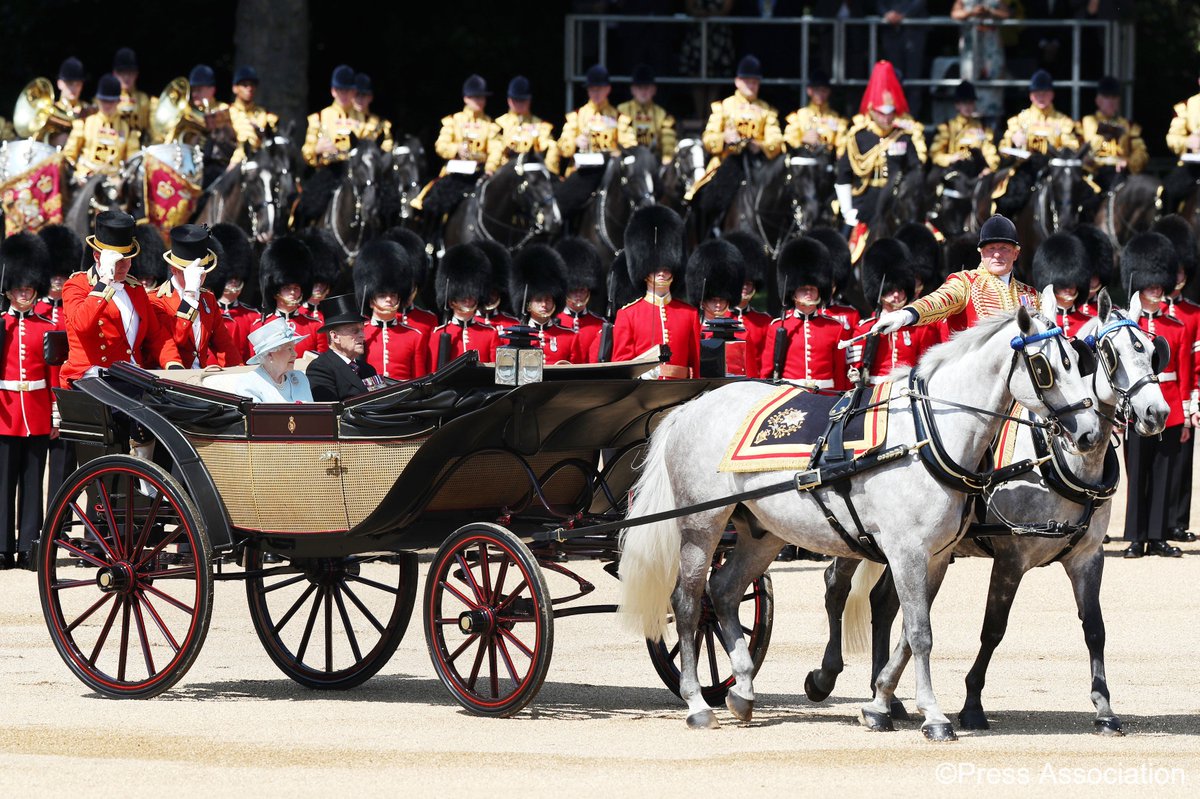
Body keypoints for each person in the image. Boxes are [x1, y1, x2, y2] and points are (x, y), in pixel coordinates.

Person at [1118, 232, 1197, 558]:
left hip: (1171, 408)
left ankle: (1158, 536)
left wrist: (1187, 415)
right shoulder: (1128, 325)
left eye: (1158, 284)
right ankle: (1137, 537)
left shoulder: (1176, 326)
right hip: (1138, 408)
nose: (1155, 289)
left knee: (1164, 473)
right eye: (1149, 284)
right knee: (1138, 473)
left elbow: (1185, 371)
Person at [60, 211, 183, 386]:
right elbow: (82, 325)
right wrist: (105, 281)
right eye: (117, 261)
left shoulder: (135, 288)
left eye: (128, 259)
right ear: (97, 257)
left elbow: (156, 335)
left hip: (132, 377)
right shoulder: (76, 285)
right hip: (91, 378)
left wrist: (173, 364)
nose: (125, 266)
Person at [873, 214, 1039, 337]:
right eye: (991, 249)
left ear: (1016, 253)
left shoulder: (1031, 295)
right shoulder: (965, 282)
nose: (997, 254)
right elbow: (938, 301)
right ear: (981, 253)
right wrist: (907, 314)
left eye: (1004, 248)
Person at [0, 233, 57, 571]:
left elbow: (53, 375)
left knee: (34, 482)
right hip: (5, 413)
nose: (24, 293)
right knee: (3, 483)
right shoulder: (2, 325)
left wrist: (55, 415)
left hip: (36, 413)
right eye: (18, 288)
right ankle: (2, 546)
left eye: (28, 288)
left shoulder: (46, 327)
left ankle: (29, 547)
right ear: (8, 289)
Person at [834, 61, 923, 254]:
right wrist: (847, 210)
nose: (887, 118)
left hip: (895, 200)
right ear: (873, 111)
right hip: (865, 200)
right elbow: (843, 174)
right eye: (882, 113)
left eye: (891, 113)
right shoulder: (859, 137)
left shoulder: (903, 136)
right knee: (846, 251)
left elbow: (915, 168)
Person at [612, 206, 701, 379]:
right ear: (644, 270)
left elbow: (696, 366)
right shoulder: (628, 315)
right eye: (655, 268)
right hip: (644, 392)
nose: (661, 273)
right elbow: (621, 369)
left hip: (682, 392)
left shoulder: (689, 314)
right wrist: (642, 375)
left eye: (666, 268)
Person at [1154, 214, 1200, 544]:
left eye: (1182, 271)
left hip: (1182, 394)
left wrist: (1194, 399)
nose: (1178, 276)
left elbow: (1196, 362)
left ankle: (1177, 521)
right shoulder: (1150, 312)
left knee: (1182, 463)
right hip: (1156, 394)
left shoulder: (1194, 313)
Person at [148, 224, 243, 369]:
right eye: (190, 273)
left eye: (201, 272)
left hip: (200, 375)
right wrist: (190, 295)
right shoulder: (156, 300)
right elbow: (176, 339)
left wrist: (239, 372)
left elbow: (225, 346)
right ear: (174, 269)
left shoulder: (208, 299)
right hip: (170, 374)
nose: (198, 278)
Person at [762, 235, 851, 387]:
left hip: (825, 396)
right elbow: (766, 372)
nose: (808, 293)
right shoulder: (778, 327)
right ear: (793, 292)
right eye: (803, 289)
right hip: (790, 394)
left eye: (813, 289)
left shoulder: (835, 328)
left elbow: (839, 373)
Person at [412, 74, 498, 231]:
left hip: (479, 174)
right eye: (476, 97)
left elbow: (496, 149)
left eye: (482, 98)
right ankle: (433, 236)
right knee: (434, 200)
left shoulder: (490, 125)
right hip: (454, 174)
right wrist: (456, 149)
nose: (480, 101)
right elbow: (441, 145)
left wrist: (490, 168)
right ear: (466, 98)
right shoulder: (453, 121)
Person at [556, 65, 636, 231]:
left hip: (610, 172)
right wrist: (575, 142)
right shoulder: (577, 116)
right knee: (561, 204)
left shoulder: (619, 117)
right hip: (583, 173)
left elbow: (629, 145)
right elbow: (562, 147)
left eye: (600, 89)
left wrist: (616, 153)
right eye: (592, 89)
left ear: (608, 89)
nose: (596, 93)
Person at [993, 70, 1081, 218]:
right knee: (1011, 199)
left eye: (1045, 93)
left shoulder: (1062, 121)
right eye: (1037, 93)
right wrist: (1013, 140)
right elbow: (1003, 149)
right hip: (1027, 168)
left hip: (1053, 169)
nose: (1041, 97)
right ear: (1031, 95)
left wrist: (1061, 150)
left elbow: (1072, 146)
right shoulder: (1020, 119)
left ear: (1052, 95)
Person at [849, 239, 937, 383]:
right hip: (874, 392)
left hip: (906, 390)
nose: (896, 295)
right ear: (879, 292)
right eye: (890, 290)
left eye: (900, 290)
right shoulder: (865, 328)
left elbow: (926, 367)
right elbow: (854, 373)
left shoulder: (919, 328)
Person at [35, 224, 81, 500]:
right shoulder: (35, 311)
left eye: (62, 275)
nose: (57, 280)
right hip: (37, 404)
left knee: (65, 469)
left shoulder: (73, 309)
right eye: (53, 274)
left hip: (67, 396)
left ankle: (59, 521)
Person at [355, 239, 428, 380]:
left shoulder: (414, 336)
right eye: (382, 295)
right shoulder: (361, 332)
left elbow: (419, 380)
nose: (388, 299)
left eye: (393, 295)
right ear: (371, 301)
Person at [251, 236, 325, 361]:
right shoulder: (260, 326)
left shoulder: (315, 326)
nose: (292, 292)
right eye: (286, 288)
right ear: (275, 291)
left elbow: (322, 363)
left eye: (296, 288)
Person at [61, 73, 141, 184]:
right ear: (98, 99)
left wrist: (123, 179)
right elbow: (69, 154)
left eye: (111, 101)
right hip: (84, 180)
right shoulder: (84, 122)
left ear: (118, 101)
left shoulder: (128, 127)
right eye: (104, 100)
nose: (107, 105)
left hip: (114, 183)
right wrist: (75, 174)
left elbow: (133, 160)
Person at [429, 244, 500, 368]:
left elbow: (495, 372)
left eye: (471, 295)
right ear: (451, 300)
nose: (467, 299)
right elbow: (432, 372)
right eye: (461, 296)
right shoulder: (438, 334)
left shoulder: (490, 333)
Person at [509, 244, 581, 364]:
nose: (544, 304)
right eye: (538, 300)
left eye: (548, 299)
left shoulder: (570, 337)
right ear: (528, 304)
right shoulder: (514, 336)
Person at [688, 239, 749, 376]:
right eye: (713, 300)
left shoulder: (741, 333)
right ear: (702, 300)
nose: (718, 304)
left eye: (722, 299)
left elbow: (749, 372)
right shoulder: (693, 331)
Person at [305, 293, 380, 402]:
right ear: (335, 336)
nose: (363, 335)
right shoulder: (320, 368)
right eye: (354, 331)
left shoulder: (367, 369)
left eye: (362, 329)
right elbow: (330, 409)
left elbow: (381, 403)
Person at [1080, 75, 1147, 196]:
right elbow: (1081, 148)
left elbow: (1141, 152)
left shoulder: (1128, 125)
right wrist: (1104, 136)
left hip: (1120, 172)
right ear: (1098, 100)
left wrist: (1129, 162)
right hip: (1094, 173)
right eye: (1107, 97)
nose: (1111, 102)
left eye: (1114, 98)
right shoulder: (1087, 122)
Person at [220, 318, 313, 403]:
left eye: (294, 348)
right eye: (289, 349)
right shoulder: (250, 384)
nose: (295, 354)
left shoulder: (300, 377)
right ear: (270, 355)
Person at [722, 231, 773, 379]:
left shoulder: (764, 322)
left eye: (749, 283)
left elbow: (766, 365)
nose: (744, 287)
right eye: (741, 283)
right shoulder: (716, 319)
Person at [951, 0, 1009, 125]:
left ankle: (992, 126)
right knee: (969, 83)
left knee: (994, 85)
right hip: (971, 51)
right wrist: (971, 12)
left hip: (992, 51)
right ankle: (968, 124)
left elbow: (1006, 14)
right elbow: (955, 14)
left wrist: (990, 12)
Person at [487, 76, 559, 175]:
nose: (519, 104)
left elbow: (550, 146)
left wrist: (550, 172)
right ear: (509, 100)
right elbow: (495, 149)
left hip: (531, 172)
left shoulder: (540, 125)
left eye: (523, 100)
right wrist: (491, 168)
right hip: (506, 172)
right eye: (516, 100)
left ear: (529, 100)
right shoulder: (500, 124)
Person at [209, 222, 258, 361]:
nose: (234, 282)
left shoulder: (253, 317)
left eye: (236, 278)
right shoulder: (205, 312)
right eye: (230, 278)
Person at [1029, 232, 1093, 336]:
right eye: (1061, 285)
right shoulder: (1041, 325)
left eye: (1071, 283)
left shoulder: (1091, 323)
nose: (1067, 289)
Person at [928, 81, 999, 174]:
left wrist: (990, 168)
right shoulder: (947, 127)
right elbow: (935, 154)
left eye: (970, 103)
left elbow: (989, 151)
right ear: (957, 105)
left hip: (977, 171)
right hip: (953, 171)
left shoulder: (982, 127)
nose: (968, 107)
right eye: (964, 103)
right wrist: (951, 158)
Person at [302, 64, 365, 167]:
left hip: (356, 171)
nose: (344, 95)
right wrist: (317, 149)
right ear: (333, 91)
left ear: (354, 92)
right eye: (341, 90)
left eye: (348, 91)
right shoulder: (319, 118)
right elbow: (306, 151)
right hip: (328, 170)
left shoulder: (364, 119)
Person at [554, 237, 605, 364]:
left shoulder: (600, 324)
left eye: (582, 290)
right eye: (573, 290)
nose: (578, 295)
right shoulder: (553, 322)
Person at [877, 1, 929, 117]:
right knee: (893, 77)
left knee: (913, 78)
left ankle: (912, 117)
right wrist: (886, 14)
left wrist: (903, 14)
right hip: (891, 32)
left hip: (914, 30)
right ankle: (893, 115)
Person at [617, 64, 677, 165]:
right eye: (640, 88)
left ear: (654, 90)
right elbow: (623, 134)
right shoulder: (623, 110)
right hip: (629, 158)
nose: (643, 92)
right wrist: (637, 151)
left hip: (655, 159)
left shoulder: (662, 114)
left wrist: (667, 155)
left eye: (647, 88)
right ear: (633, 90)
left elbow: (668, 137)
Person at [783, 70, 848, 152]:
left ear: (829, 92)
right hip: (803, 156)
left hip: (827, 157)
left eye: (824, 90)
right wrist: (802, 140)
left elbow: (842, 144)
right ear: (809, 91)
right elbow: (789, 140)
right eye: (817, 90)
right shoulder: (799, 115)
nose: (820, 94)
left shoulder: (835, 117)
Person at [227, 66, 280, 163]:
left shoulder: (265, 114)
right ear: (234, 88)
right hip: (229, 160)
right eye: (244, 85)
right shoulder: (227, 112)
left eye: (252, 85)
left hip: (258, 161)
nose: (249, 88)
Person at [47, 57, 92, 146]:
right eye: (70, 84)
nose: (74, 88)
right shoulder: (50, 109)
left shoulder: (88, 111)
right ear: (60, 84)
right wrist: (52, 141)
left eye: (78, 84)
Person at [110, 47, 151, 138]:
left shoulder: (145, 99)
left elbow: (154, 132)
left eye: (130, 72)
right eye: (122, 72)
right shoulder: (104, 100)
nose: (126, 77)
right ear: (114, 73)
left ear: (136, 74)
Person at [354, 73, 394, 151]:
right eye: (357, 94)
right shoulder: (341, 118)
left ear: (370, 97)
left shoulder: (381, 123)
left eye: (364, 95)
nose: (360, 99)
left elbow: (387, 149)